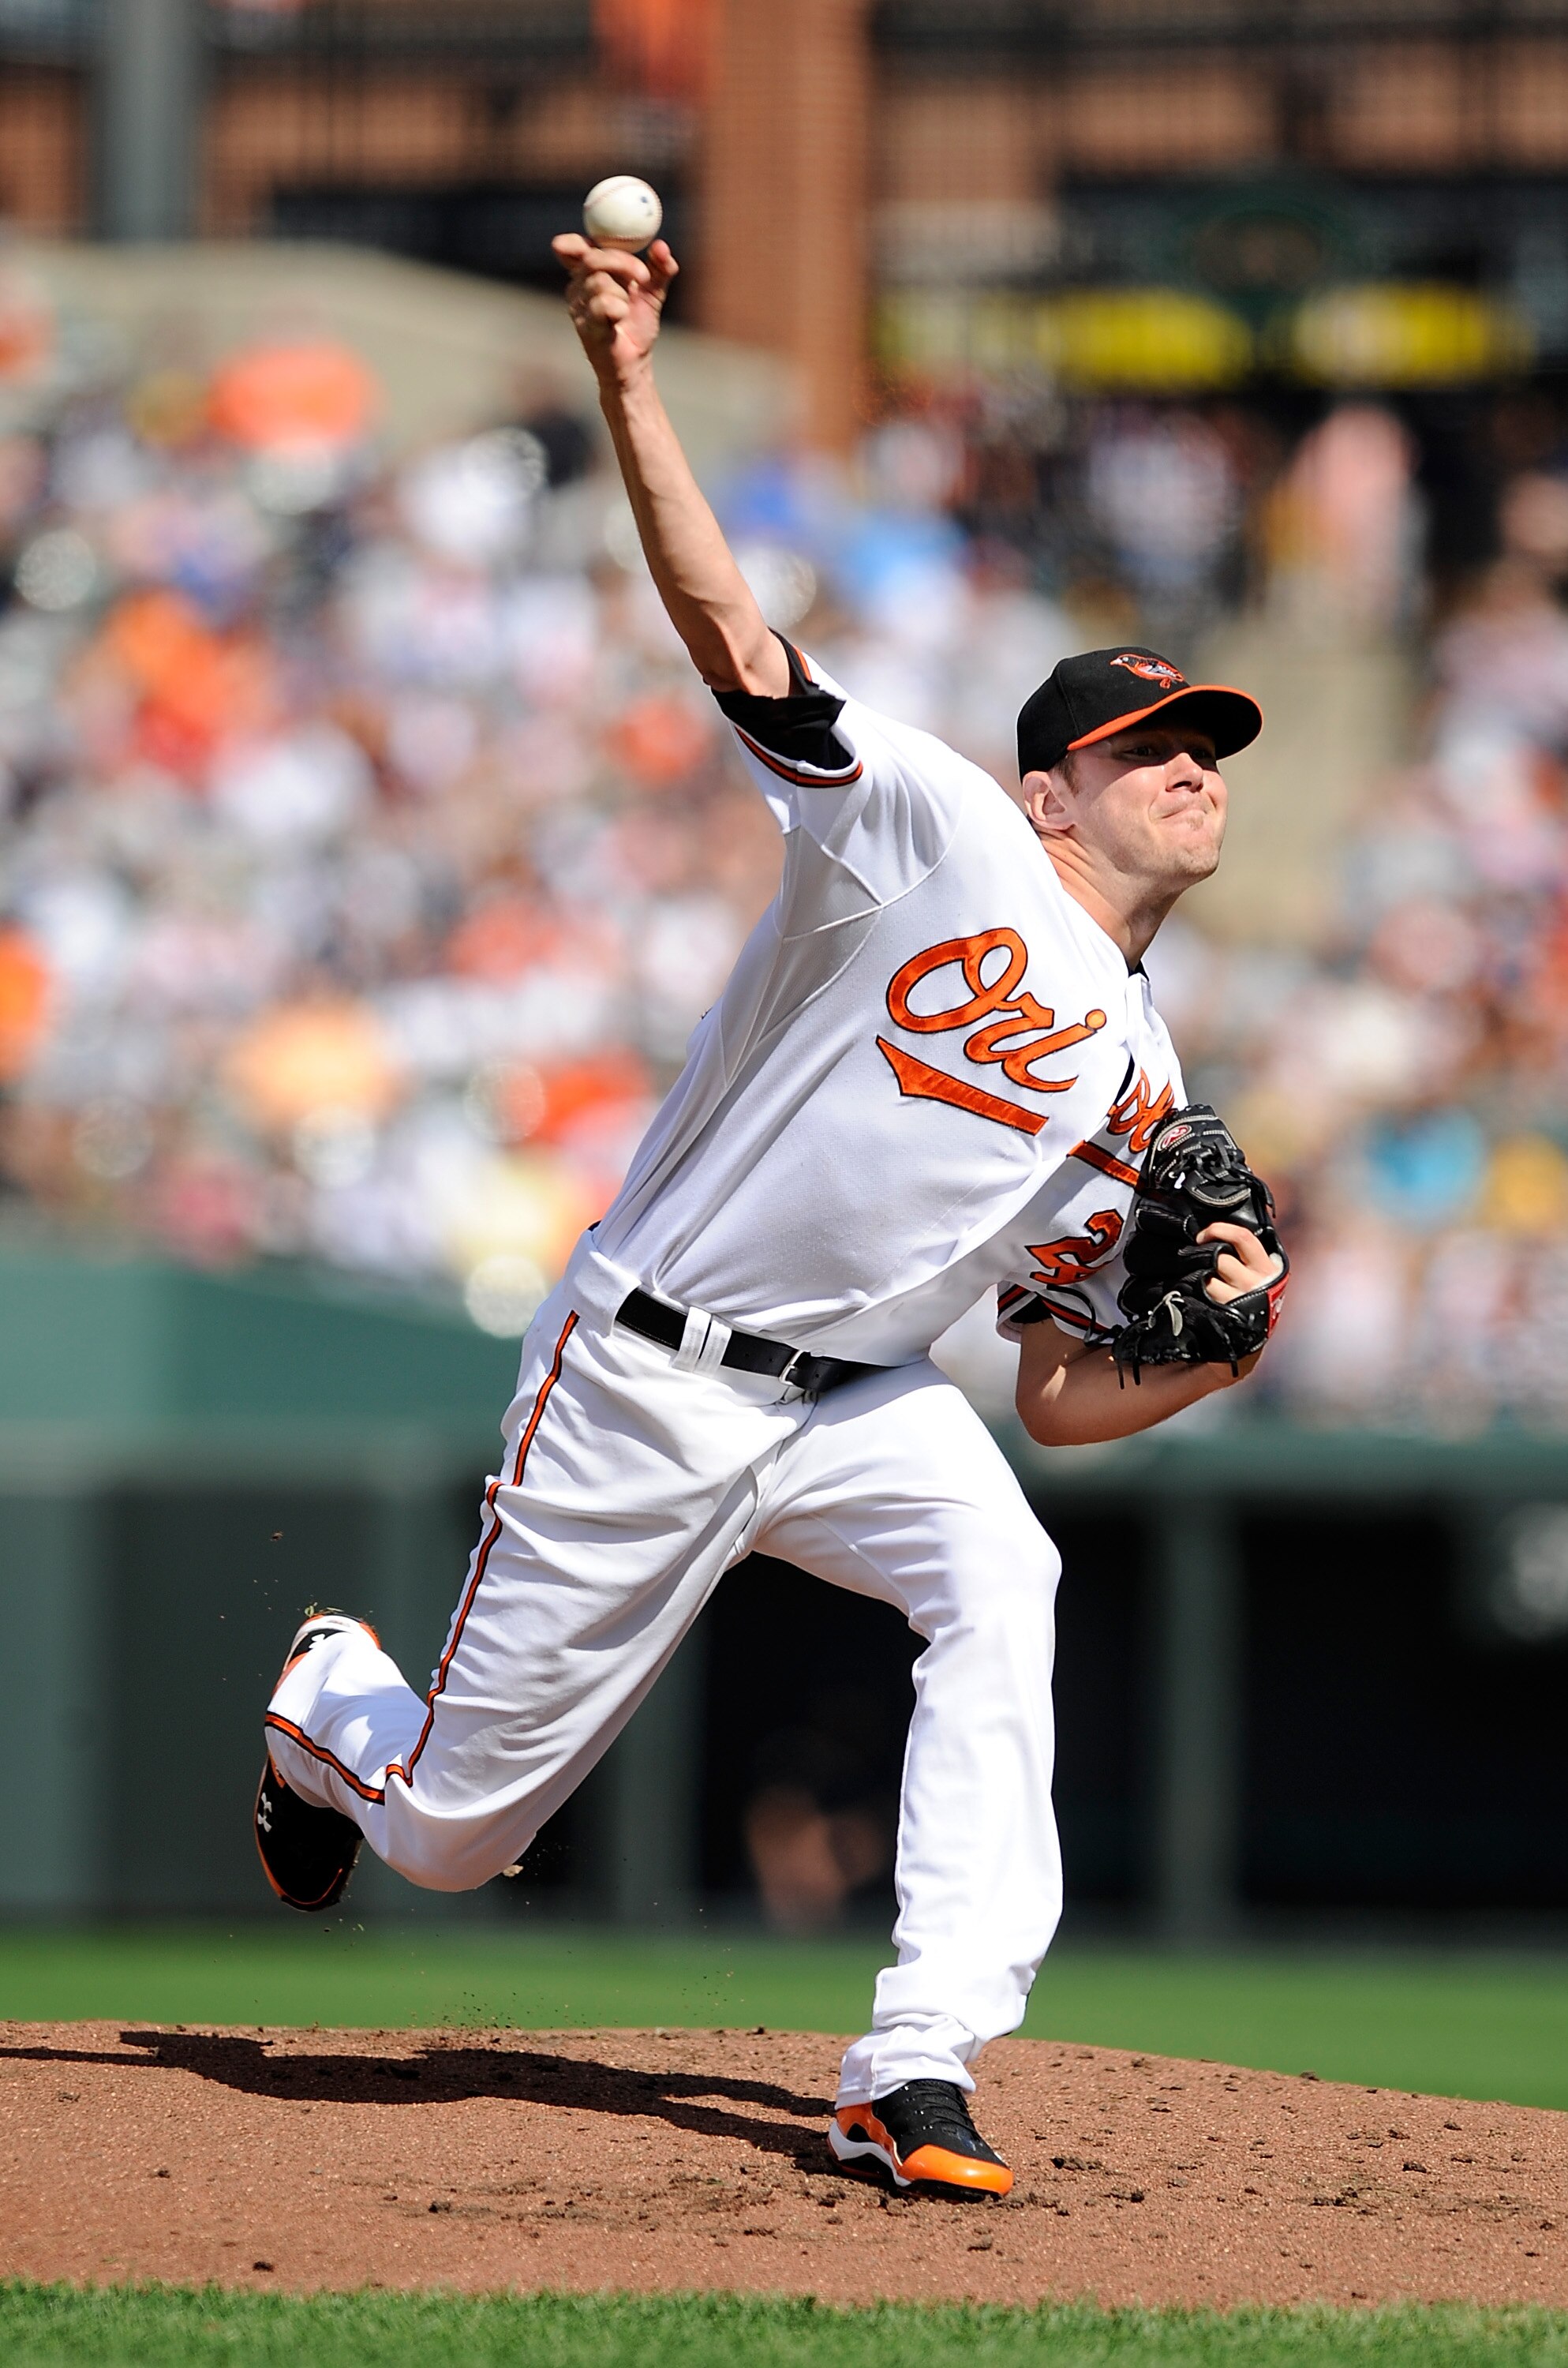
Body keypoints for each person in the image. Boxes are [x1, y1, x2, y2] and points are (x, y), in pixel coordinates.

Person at [253, 230, 1284, 2200]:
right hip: (648, 1370)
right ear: (1049, 792)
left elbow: (1054, 1395)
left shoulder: (1146, 1093)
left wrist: (1214, 1354)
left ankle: (918, 2058)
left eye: (1208, 748)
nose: (1190, 770)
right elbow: (735, 634)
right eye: (1147, 745)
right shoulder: (939, 831)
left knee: (1006, 1576)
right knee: (455, 1837)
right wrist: (628, 380)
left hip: (860, 1403)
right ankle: (324, 1707)